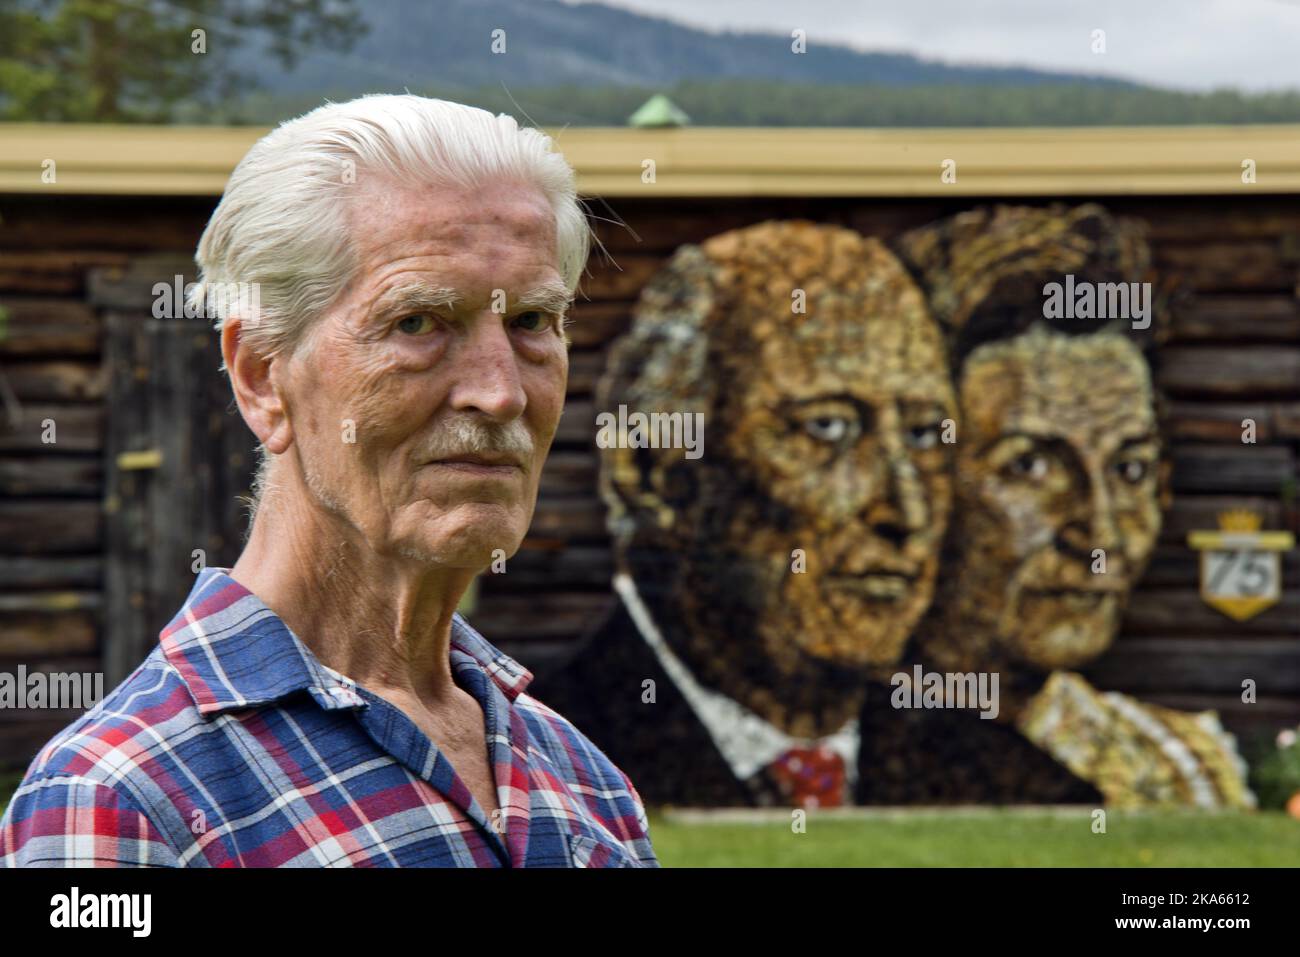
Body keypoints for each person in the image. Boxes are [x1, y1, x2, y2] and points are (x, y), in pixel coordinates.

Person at [0, 95, 658, 867]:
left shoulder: (586, 782)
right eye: (418, 322)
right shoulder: (120, 802)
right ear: (261, 377)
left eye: (531, 322)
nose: (501, 392)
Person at [533, 220, 957, 807]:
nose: (906, 511)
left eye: (923, 434)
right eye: (827, 427)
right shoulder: (539, 761)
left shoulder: (995, 769)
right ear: (653, 469)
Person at [860, 203, 1254, 808]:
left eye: (1129, 469)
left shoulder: (1176, 764)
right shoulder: (828, 751)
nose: (1099, 534)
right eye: (1030, 466)